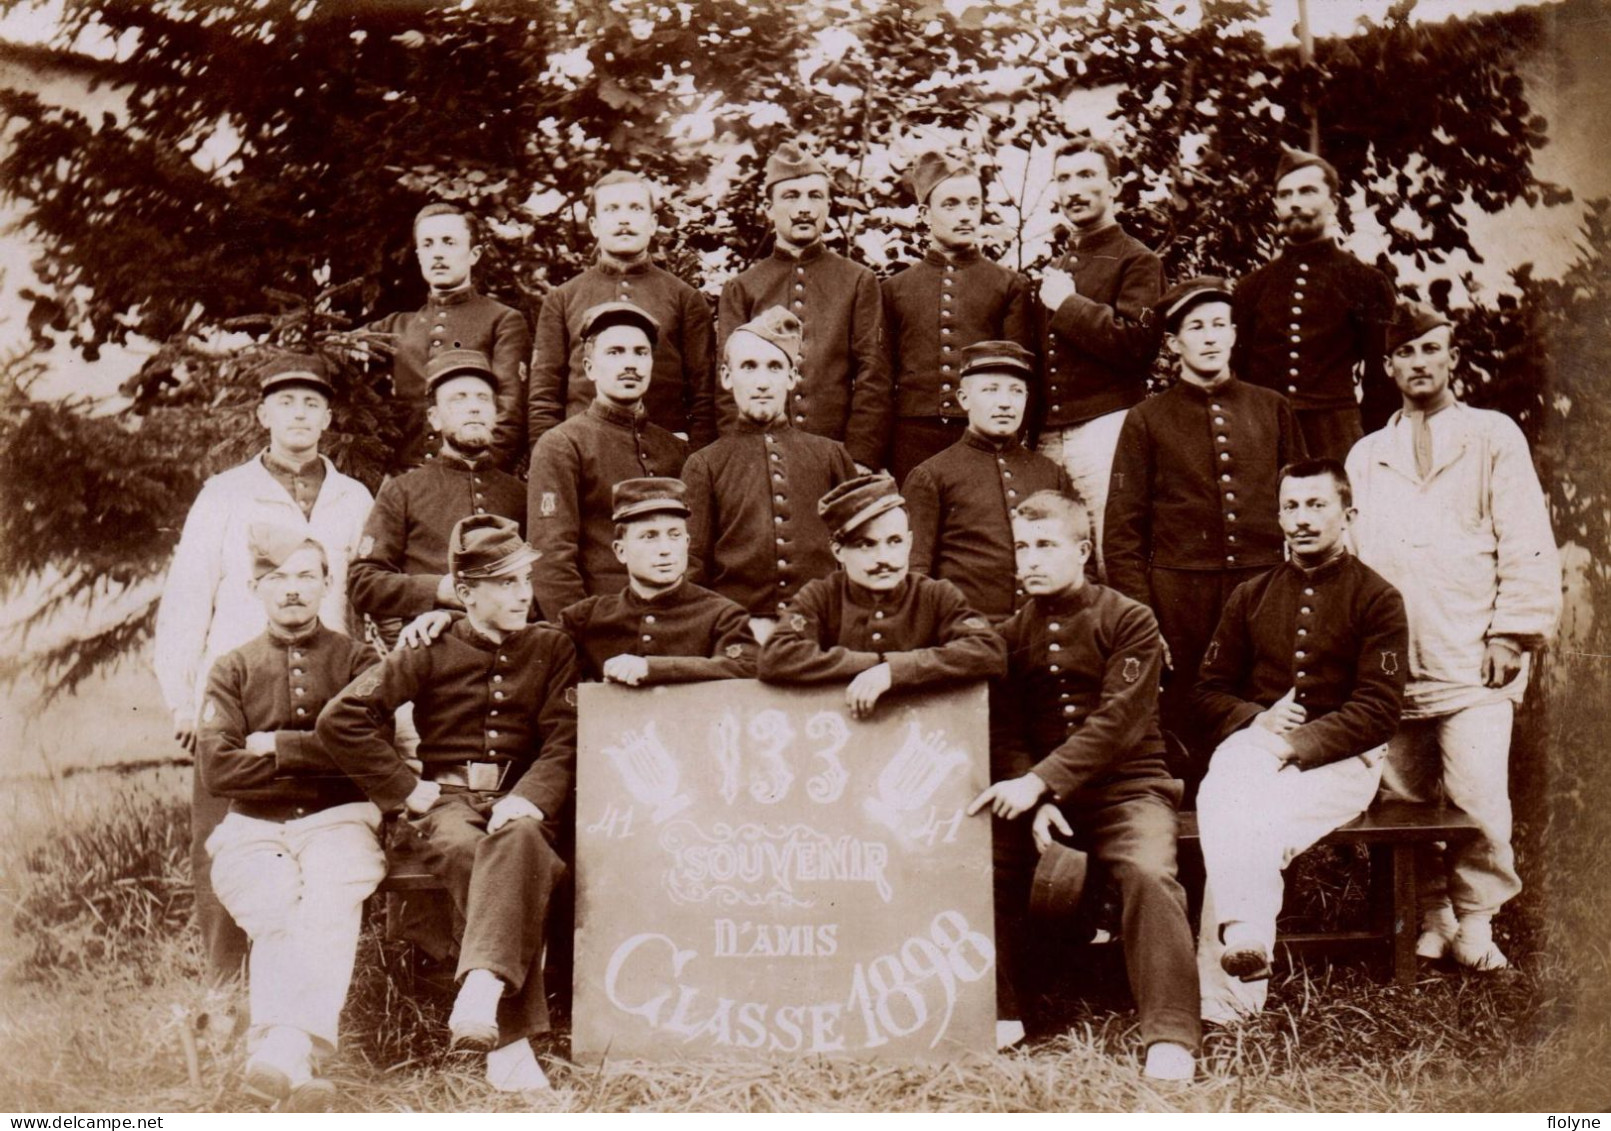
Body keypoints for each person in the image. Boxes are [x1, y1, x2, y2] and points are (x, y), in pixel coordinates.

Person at [317, 514, 579, 1094]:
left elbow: (564, 738)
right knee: (467, 848)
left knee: (520, 840)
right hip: (449, 800)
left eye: (524, 580)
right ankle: (510, 1047)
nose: (522, 594)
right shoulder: (430, 645)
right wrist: (406, 790)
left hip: (520, 796)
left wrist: (531, 797)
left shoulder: (552, 645)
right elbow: (342, 719)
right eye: (504, 583)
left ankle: (483, 988)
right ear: (466, 594)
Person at [1347, 302, 1561, 970]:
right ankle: (1431, 913)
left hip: (1472, 654)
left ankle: (1476, 919)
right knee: (1402, 802)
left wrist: (1511, 632)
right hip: (1392, 661)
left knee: (1477, 798)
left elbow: (1524, 536)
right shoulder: (1365, 454)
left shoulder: (1490, 436)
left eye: (1429, 349)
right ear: (1387, 366)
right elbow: (1352, 557)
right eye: (1404, 353)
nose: (1418, 363)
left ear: (1451, 358)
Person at [153, 353, 373, 982]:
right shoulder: (225, 493)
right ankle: (226, 986)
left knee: (324, 833)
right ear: (264, 414)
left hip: (326, 686)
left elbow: (365, 597)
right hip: (240, 684)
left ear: (328, 417)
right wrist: (182, 697)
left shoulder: (352, 497)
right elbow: (187, 599)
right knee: (224, 837)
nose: (299, 414)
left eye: (311, 403)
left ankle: (306, 984)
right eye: (286, 403)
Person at [967, 489, 1199, 1080]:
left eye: (1047, 545)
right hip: (1044, 799)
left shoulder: (1128, 618)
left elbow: (1118, 723)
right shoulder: (1011, 632)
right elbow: (1007, 727)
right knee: (979, 866)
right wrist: (1033, 793)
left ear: (1083, 550)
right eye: (1022, 547)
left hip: (1129, 788)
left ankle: (1170, 1034)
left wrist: (1041, 782)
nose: (1032, 561)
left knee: (1149, 872)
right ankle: (998, 1013)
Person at [1191, 459, 1408, 1021]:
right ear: (1279, 515)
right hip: (1255, 747)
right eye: (1291, 506)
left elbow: (1378, 709)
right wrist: (1259, 721)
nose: (1302, 520)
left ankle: (1228, 998)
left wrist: (1297, 745)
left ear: (1347, 513)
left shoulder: (1378, 599)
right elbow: (1207, 693)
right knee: (1235, 785)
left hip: (1340, 765)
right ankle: (1244, 943)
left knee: (1235, 812)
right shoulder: (1251, 595)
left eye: (1317, 505)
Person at [198, 526, 384, 1112]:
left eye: (306, 575)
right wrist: (326, 755)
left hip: (339, 821)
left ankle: (274, 1051)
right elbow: (219, 770)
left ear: (329, 584)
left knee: (330, 899)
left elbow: (372, 757)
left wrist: (275, 747)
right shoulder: (232, 668)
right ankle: (298, 1061)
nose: (293, 590)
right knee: (276, 905)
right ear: (256, 587)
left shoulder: (358, 660)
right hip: (253, 829)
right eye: (277, 577)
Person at [1104, 278, 1305, 781]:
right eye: (1196, 327)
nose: (1210, 337)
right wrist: (1145, 620)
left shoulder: (1272, 408)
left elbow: (1305, 510)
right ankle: (1193, 853)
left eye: (1219, 324)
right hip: (1181, 601)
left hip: (1263, 592)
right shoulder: (1147, 420)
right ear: (1174, 344)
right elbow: (1123, 532)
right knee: (1188, 722)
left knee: (1264, 715)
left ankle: (1270, 852)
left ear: (1235, 334)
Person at [758, 473, 1005, 720]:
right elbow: (777, 657)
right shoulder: (821, 596)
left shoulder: (935, 595)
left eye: (894, 541)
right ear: (838, 551)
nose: (884, 558)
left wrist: (894, 670)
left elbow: (989, 650)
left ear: (909, 543)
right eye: (867, 544)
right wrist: (873, 664)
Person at [1033, 137, 1165, 579]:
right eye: (1064, 178)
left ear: (1115, 187)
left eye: (1087, 176)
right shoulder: (1061, 264)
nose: (1074, 189)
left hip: (1106, 430)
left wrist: (1069, 306)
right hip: (1051, 436)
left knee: (1114, 558)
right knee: (1062, 564)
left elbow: (1137, 344)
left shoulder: (1138, 261)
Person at [683, 307, 856, 641]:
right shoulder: (705, 465)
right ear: (727, 376)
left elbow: (855, 548)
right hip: (738, 634)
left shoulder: (831, 455)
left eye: (775, 367)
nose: (762, 382)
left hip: (825, 630)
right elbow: (692, 566)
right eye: (748, 367)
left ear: (792, 378)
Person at [717, 141, 889, 473]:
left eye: (815, 196)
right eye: (791, 196)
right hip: (759, 456)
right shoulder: (742, 287)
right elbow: (726, 384)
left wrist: (860, 457)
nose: (805, 208)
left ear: (828, 204)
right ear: (768, 207)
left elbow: (873, 374)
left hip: (838, 455)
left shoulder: (858, 281)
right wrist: (737, 454)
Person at [527, 171, 716, 450]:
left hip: (665, 455)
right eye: (611, 209)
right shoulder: (563, 298)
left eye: (636, 208)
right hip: (583, 454)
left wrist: (696, 463)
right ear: (593, 225)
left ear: (653, 224)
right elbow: (544, 396)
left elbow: (704, 395)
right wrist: (549, 456)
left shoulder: (684, 298)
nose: (624, 219)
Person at [348, 349, 526, 647]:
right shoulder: (403, 491)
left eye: (483, 399)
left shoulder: (518, 493)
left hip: (510, 651)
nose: (474, 408)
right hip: (433, 647)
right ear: (434, 418)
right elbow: (363, 582)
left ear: (495, 414)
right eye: (459, 399)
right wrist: (438, 589)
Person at [1231, 149, 1397, 460]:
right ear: (1277, 204)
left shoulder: (1365, 282)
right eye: (1285, 194)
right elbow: (1237, 373)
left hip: (1335, 434)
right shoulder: (1251, 288)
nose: (1294, 202)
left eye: (1307, 191)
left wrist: (1370, 448)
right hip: (1264, 435)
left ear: (1333, 203)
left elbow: (1381, 378)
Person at [527, 301, 688, 621]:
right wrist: (584, 632)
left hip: (676, 623)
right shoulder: (562, 445)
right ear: (589, 368)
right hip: (601, 621)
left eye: (640, 353)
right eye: (615, 352)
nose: (631, 364)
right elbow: (552, 559)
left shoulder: (674, 449)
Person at [881, 149, 1033, 482]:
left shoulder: (1008, 285)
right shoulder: (894, 290)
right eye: (950, 205)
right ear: (925, 213)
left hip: (981, 435)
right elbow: (879, 378)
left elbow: (1019, 376)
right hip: (911, 440)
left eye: (972, 203)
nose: (965, 215)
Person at [904, 341, 1070, 621]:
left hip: (1042, 635)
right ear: (964, 399)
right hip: (966, 636)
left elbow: (1077, 566)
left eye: (1016, 391)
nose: (1005, 402)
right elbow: (914, 575)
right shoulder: (931, 476)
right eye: (990, 390)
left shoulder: (1051, 474)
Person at [366, 203, 531, 470]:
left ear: (474, 254)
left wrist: (476, 477)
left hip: (473, 477)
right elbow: (335, 348)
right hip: (405, 478)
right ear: (419, 255)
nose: (438, 253)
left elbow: (509, 417)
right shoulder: (396, 326)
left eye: (449, 242)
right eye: (428, 244)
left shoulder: (501, 321)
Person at [558, 477, 758, 684]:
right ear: (620, 551)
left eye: (675, 535)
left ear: (687, 543)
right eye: (649, 536)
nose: (665, 549)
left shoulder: (721, 616)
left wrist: (654, 668)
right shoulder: (588, 617)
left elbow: (747, 666)